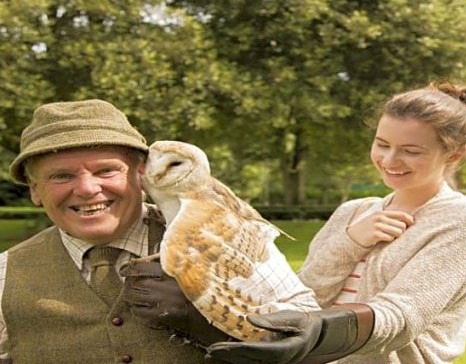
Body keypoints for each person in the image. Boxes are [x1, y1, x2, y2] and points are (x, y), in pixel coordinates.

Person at [203, 81, 466, 363]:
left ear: (454, 154)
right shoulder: (352, 212)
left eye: (411, 151)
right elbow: (303, 296)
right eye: (382, 144)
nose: (390, 160)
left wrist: (322, 330)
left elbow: (402, 316)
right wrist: (351, 241)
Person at [0, 99, 316, 363]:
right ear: (34, 190)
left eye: (106, 170)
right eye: (60, 176)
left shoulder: (223, 232)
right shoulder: (5, 274)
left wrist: (209, 326)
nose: (86, 188)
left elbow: (309, 331)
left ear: (141, 173)